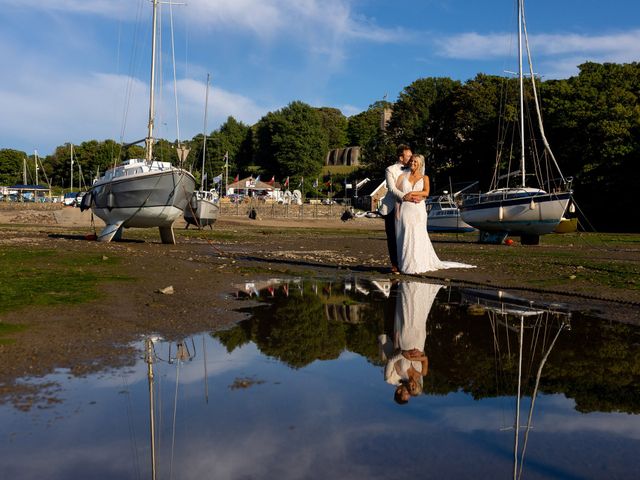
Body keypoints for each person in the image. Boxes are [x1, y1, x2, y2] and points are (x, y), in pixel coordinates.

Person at [395, 154, 476, 274]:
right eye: (411, 161)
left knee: (418, 234)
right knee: (407, 233)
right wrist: (398, 209)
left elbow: (426, 192)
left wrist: (411, 193)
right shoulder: (402, 177)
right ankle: (406, 263)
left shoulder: (425, 177)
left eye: (416, 162)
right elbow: (397, 193)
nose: (413, 163)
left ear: (420, 164)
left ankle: (418, 262)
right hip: (406, 208)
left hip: (418, 209)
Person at [380, 281, 443, 404]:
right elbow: (425, 359)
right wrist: (419, 355)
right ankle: (422, 287)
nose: (409, 390)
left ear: (399, 391)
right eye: (411, 391)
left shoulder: (394, 377)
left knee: (406, 313)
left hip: (403, 341)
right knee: (420, 317)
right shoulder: (421, 376)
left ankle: (406, 286)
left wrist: (403, 354)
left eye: (407, 392)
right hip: (418, 341)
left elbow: (391, 360)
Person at [378, 144, 414, 274]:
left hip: (409, 208)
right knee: (392, 236)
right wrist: (406, 197)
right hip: (392, 207)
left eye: (411, 155)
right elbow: (392, 189)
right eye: (408, 156)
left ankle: (407, 263)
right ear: (400, 157)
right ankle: (394, 264)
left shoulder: (413, 169)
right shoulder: (390, 169)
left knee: (406, 236)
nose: (411, 158)